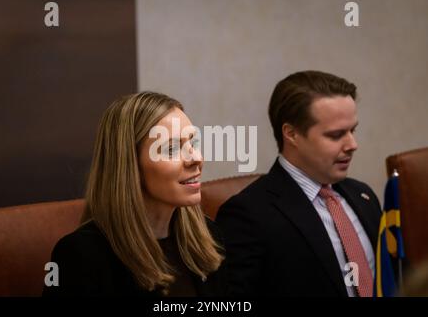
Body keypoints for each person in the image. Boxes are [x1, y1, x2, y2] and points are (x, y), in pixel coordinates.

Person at [216, 70, 381, 297]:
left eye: (353, 130)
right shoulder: (248, 216)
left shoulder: (363, 196)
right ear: (291, 134)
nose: (352, 144)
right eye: (335, 135)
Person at [43, 91, 225, 296]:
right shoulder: (80, 255)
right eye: (172, 148)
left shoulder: (208, 235)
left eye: (193, 142)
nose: (196, 158)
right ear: (130, 165)